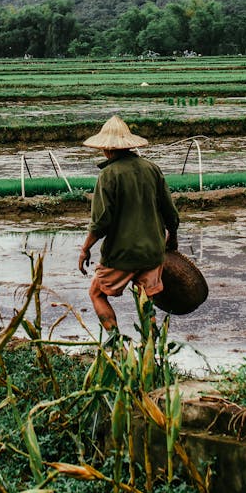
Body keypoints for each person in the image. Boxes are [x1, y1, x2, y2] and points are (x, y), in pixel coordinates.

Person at [78, 115, 179, 335]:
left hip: (121, 254)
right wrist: (173, 236)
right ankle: (150, 352)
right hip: (152, 251)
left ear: (106, 148)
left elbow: (100, 222)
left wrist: (85, 249)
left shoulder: (108, 175)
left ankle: (117, 345)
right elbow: (169, 211)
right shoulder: (152, 169)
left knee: (97, 293)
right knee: (145, 301)